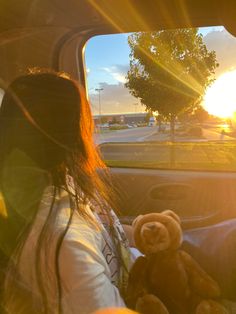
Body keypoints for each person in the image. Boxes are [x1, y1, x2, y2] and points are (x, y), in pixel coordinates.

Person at [0, 69, 133, 314]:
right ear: (70, 133)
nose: (90, 132)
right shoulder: (62, 241)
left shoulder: (64, 182)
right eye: (84, 121)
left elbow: (111, 239)